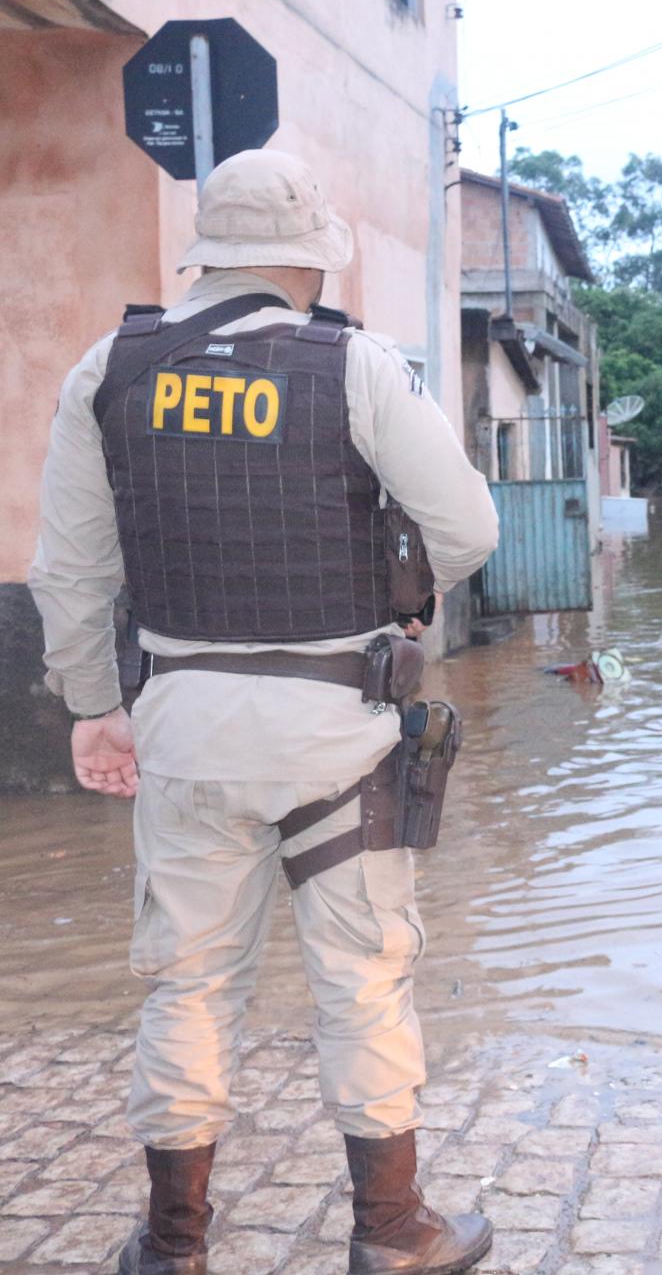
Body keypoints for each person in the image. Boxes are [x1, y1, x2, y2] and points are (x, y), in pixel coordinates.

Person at [28, 150, 500, 1275]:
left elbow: (71, 570)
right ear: (307, 259)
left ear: (207, 254)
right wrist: (409, 605)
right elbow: (470, 527)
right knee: (363, 978)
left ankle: (175, 1242)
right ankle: (392, 1232)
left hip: (184, 718)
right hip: (337, 724)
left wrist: (95, 708)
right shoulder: (356, 365)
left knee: (186, 983)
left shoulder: (110, 366)